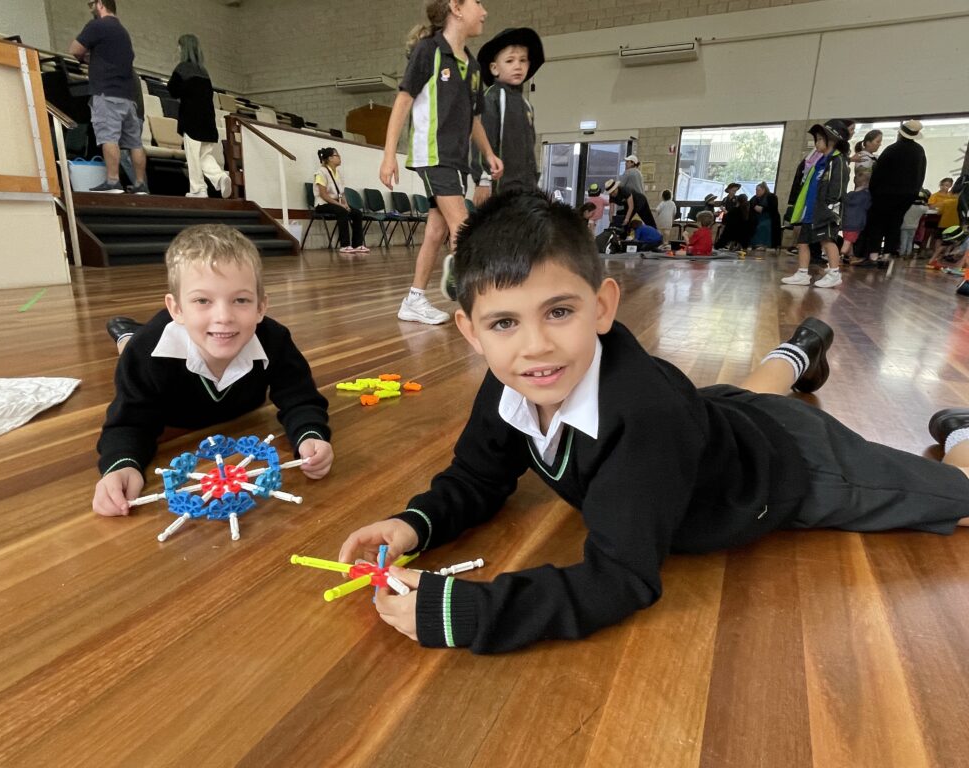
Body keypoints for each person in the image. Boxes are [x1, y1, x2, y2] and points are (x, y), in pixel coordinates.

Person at [335, 192, 969, 654]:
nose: (535, 347)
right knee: (747, 398)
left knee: (959, 499)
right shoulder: (513, 382)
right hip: (713, 419)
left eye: (559, 312)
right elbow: (477, 477)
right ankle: (800, 350)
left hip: (792, 465)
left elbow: (621, 578)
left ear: (602, 306)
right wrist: (414, 523)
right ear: (471, 332)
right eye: (504, 323)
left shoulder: (644, 419)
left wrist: (463, 611)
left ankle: (962, 430)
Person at [93, 224, 334, 516]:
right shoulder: (147, 351)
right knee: (131, 348)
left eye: (241, 300)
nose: (223, 317)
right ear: (176, 308)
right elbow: (128, 422)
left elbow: (301, 398)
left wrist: (310, 434)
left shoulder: (275, 339)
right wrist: (122, 464)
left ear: (261, 306)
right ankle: (126, 335)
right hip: (152, 355)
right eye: (202, 301)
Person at [380, 0, 502, 324]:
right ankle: (479, 304)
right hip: (432, 154)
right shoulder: (428, 51)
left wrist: (489, 153)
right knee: (463, 226)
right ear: (456, 8)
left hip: (457, 159)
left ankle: (414, 299)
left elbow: (474, 119)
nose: (484, 11)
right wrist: (389, 155)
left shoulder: (472, 66)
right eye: (478, 2)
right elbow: (403, 101)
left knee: (436, 230)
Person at [69, 0, 148, 194]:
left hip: (107, 93)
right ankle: (140, 184)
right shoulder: (123, 32)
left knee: (108, 137)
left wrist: (86, 58)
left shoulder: (97, 25)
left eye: (92, 4)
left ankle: (113, 181)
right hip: (128, 97)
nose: (91, 8)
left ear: (100, 4)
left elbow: (75, 50)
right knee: (135, 143)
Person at [470, 27, 544, 207]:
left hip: (526, 188)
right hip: (501, 187)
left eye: (523, 60)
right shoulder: (492, 98)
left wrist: (534, 182)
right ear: (494, 68)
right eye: (510, 61)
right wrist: (483, 179)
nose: (518, 66)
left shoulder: (526, 105)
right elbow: (482, 140)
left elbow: (530, 146)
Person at [781, 120, 850, 288]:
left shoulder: (838, 161)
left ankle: (834, 273)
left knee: (827, 241)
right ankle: (802, 274)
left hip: (825, 211)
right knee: (803, 242)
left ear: (832, 141)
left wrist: (830, 207)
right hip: (810, 210)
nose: (816, 143)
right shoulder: (819, 162)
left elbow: (838, 187)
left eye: (819, 139)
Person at [166, 34, 232, 199]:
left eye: (179, 46)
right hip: (208, 120)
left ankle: (198, 189)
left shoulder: (182, 68)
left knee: (193, 156)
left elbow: (172, 90)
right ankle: (220, 177)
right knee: (204, 156)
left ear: (184, 48)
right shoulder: (204, 72)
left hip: (191, 120)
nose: (178, 49)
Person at [856, 119, 927, 265]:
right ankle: (887, 255)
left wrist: (874, 192)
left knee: (877, 223)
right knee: (895, 224)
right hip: (906, 196)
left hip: (884, 195)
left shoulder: (892, 149)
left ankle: (874, 255)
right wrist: (913, 193)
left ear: (900, 134)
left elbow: (878, 173)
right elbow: (921, 175)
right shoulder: (919, 151)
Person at [313, 147, 368, 254]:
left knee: (357, 213)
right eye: (337, 155)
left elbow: (341, 193)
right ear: (330, 158)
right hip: (323, 204)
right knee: (342, 211)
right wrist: (340, 205)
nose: (339, 157)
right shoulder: (320, 173)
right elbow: (323, 195)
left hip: (336, 204)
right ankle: (345, 245)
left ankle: (357, 244)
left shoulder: (338, 173)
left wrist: (346, 204)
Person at [840, 168, 872, 263]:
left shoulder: (849, 194)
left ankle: (851, 256)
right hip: (856, 223)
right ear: (866, 183)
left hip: (846, 222)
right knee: (848, 242)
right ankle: (839, 258)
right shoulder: (866, 196)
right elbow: (867, 207)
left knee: (848, 240)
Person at [616, 155, 656, 226]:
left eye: (627, 162)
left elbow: (621, 186)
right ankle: (655, 232)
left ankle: (622, 232)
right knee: (649, 221)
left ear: (632, 163)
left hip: (634, 200)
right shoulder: (639, 172)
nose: (625, 163)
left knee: (624, 220)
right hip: (643, 199)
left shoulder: (628, 172)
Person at [927, 178, 960, 265]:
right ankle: (936, 255)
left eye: (948, 186)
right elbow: (931, 206)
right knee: (937, 237)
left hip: (944, 222)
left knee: (941, 240)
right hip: (939, 220)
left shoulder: (949, 198)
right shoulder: (935, 195)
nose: (946, 187)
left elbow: (940, 211)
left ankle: (936, 256)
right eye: (944, 185)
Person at [749, 182, 781, 250]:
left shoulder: (772, 197)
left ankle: (764, 244)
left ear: (764, 190)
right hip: (757, 217)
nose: (756, 192)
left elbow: (773, 208)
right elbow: (750, 205)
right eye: (756, 190)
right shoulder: (754, 198)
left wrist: (763, 209)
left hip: (769, 217)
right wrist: (754, 207)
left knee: (762, 226)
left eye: (758, 190)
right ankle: (754, 244)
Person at [899, 190, 930, 258]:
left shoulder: (908, 206)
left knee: (903, 240)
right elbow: (927, 208)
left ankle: (902, 253)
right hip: (914, 226)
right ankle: (908, 253)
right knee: (910, 241)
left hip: (904, 226)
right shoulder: (922, 208)